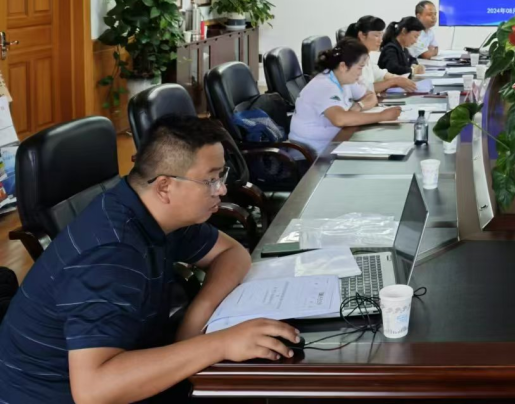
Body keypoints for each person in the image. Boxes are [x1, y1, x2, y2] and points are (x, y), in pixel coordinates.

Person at [0, 116, 302, 404]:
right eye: (210, 180)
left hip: (130, 362)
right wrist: (220, 343)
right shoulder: (110, 253)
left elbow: (231, 253)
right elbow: (93, 390)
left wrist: (194, 321)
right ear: (164, 186)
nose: (221, 189)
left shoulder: (155, 211)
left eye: (220, 176)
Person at [291, 37, 401, 152]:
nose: (360, 74)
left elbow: (371, 96)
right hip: (314, 153)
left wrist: (359, 106)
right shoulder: (324, 85)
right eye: (359, 68)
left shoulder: (344, 78)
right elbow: (340, 119)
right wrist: (382, 116)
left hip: (337, 142)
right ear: (343, 66)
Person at [347, 15, 417, 93]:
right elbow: (363, 89)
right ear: (362, 35)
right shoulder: (352, 59)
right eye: (376, 35)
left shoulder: (366, 57)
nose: (380, 40)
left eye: (381, 35)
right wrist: (394, 81)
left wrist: (400, 79)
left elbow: (380, 74)